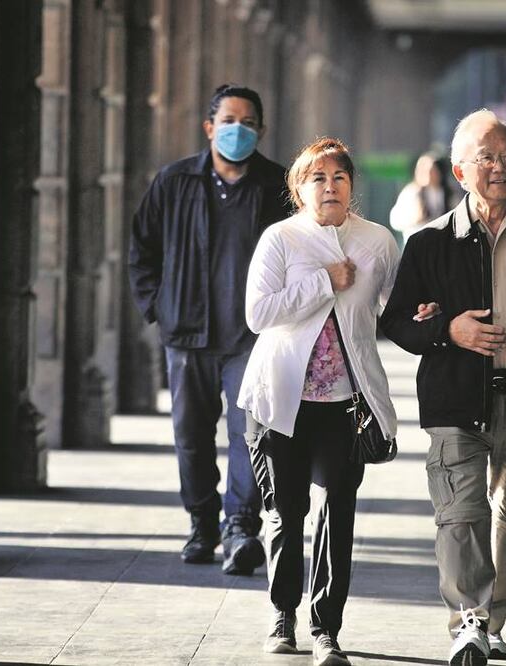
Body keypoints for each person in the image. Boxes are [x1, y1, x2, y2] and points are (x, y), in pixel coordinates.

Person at [380, 109, 506, 666]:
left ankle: (494, 618)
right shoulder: (429, 243)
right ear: (459, 170)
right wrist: (447, 328)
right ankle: (469, 621)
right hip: (455, 398)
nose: (499, 168)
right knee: (460, 514)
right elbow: (396, 321)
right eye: (486, 158)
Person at [238, 138, 399, 665]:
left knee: (338, 510)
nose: (329, 187)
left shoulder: (376, 241)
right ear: (299, 189)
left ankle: (326, 627)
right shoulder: (280, 240)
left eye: (339, 178)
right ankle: (283, 614)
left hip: (343, 403)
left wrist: (424, 313)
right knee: (286, 510)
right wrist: (323, 282)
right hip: (280, 399)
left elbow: (392, 311)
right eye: (317, 179)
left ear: (353, 186)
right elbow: (259, 315)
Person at [128, 84, 293, 574]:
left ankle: (240, 525)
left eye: (247, 123)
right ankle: (201, 523)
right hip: (187, 334)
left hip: (252, 338)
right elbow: (142, 249)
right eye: (228, 121)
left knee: (249, 434)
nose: (237, 130)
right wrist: (158, 306)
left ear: (260, 131)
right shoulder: (175, 181)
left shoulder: (278, 187)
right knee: (191, 435)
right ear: (209, 127)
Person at [389, 153, 454, 239]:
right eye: (424, 170)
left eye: (432, 170)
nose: (428, 174)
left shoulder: (449, 193)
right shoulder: (411, 192)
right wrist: (414, 218)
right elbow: (395, 221)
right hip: (417, 240)